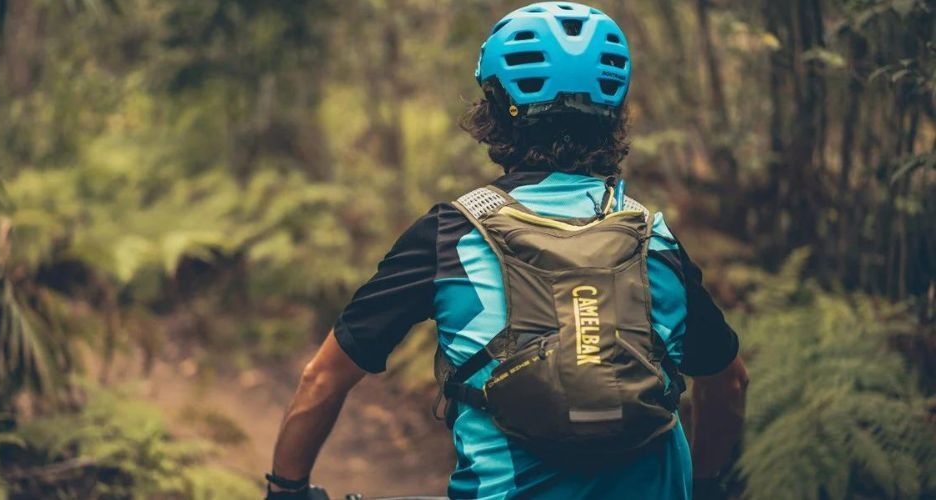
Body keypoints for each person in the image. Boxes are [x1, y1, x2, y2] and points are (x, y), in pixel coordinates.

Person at [267, 2, 748, 499]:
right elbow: (728, 385)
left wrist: (287, 488)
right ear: (615, 116)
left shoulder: (451, 233)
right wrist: (706, 484)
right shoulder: (655, 238)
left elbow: (323, 378)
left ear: (494, 112)